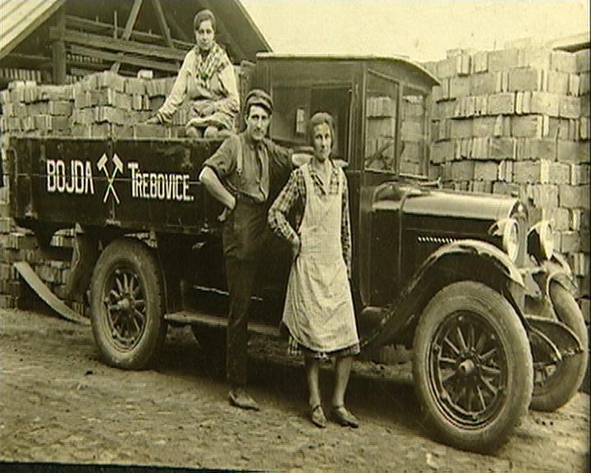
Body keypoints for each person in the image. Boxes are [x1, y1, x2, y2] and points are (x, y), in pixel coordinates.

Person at [199, 89, 301, 411]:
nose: (258, 124)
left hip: (262, 221)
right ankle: (237, 386)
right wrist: (231, 202)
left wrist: (327, 161)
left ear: (269, 122)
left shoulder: (267, 148)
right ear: (246, 118)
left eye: (263, 118)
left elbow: (294, 160)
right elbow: (206, 175)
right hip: (240, 227)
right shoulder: (234, 145)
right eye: (254, 117)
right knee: (240, 308)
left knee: (294, 253)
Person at [268, 112, 360, 429]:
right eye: (318, 138)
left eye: (327, 137)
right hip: (308, 266)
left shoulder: (341, 178)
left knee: (347, 338)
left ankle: (339, 403)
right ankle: (315, 402)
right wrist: (294, 240)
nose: (323, 143)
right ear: (312, 142)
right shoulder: (301, 177)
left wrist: (347, 265)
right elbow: (275, 214)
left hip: (334, 266)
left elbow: (345, 227)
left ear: (333, 140)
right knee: (313, 341)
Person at [147, 9, 239, 138]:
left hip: (219, 114)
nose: (204, 37)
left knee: (210, 133)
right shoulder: (190, 59)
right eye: (201, 32)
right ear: (195, 34)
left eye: (208, 32)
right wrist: (160, 116)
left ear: (213, 34)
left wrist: (213, 107)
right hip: (197, 114)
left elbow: (234, 101)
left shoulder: (222, 61)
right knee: (191, 133)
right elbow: (177, 93)